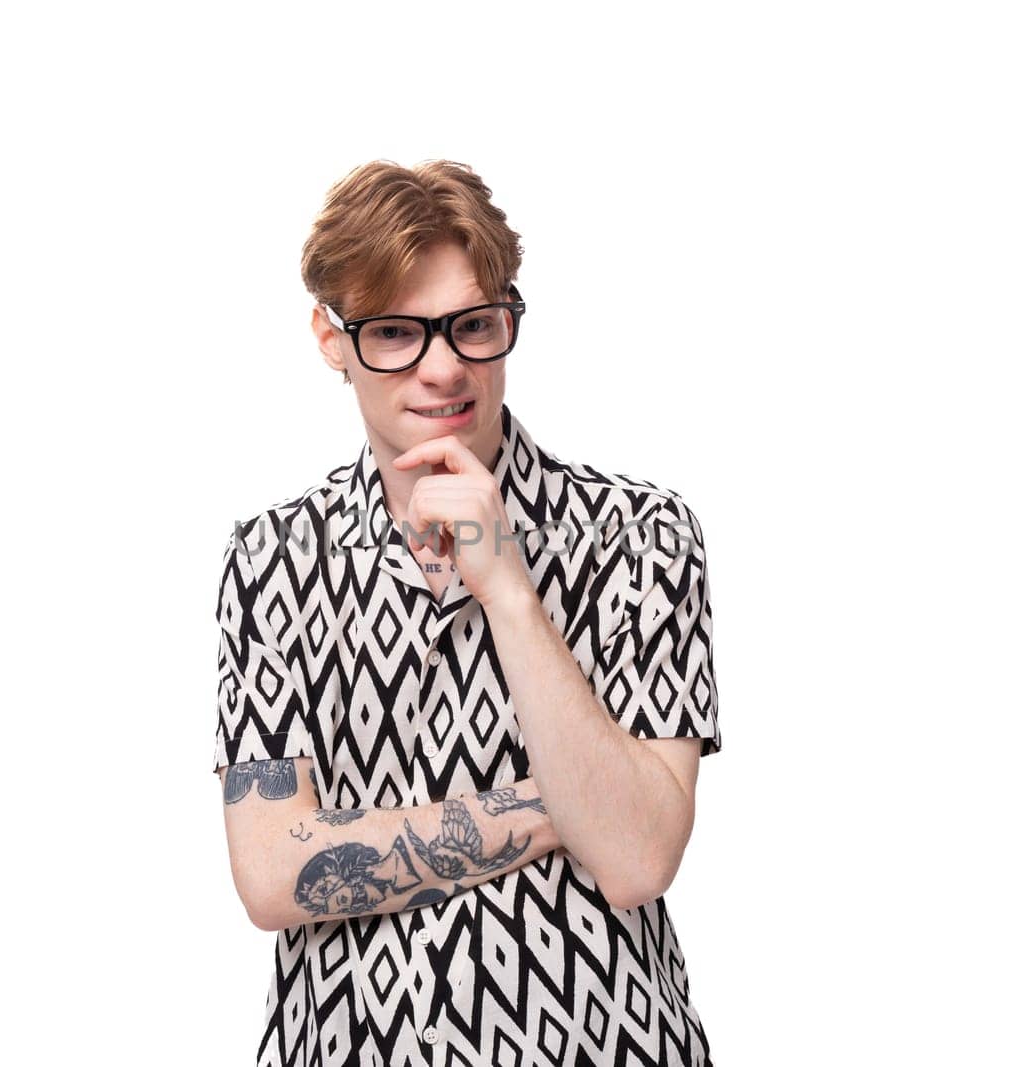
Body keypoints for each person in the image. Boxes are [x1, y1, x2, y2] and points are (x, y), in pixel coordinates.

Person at [213, 159, 723, 1067]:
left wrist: (510, 592)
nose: (445, 367)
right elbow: (271, 872)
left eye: (474, 326)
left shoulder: (644, 538)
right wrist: (566, 803)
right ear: (334, 340)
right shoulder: (273, 558)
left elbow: (639, 859)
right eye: (400, 333)